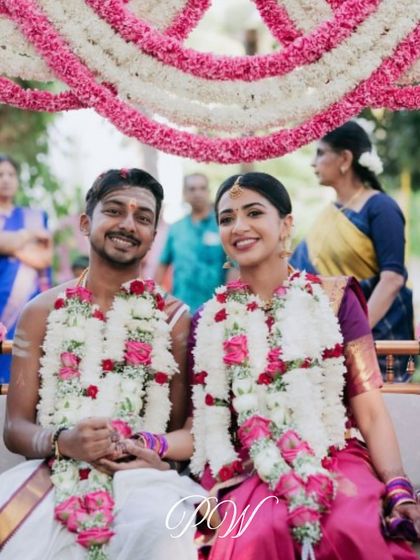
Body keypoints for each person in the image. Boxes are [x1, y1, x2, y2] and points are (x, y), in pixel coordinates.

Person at [189, 172, 420, 560]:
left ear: (286, 225)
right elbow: (205, 424)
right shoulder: (209, 318)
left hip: (333, 452)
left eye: (253, 212)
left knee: (351, 525)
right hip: (248, 466)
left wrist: (398, 486)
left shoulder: (334, 299)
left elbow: (370, 410)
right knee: (259, 534)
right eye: (227, 218)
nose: (239, 226)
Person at [0, 169, 201, 559]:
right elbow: (15, 428)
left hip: (142, 478)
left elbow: (178, 430)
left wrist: (147, 451)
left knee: (167, 535)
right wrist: (63, 442)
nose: (128, 224)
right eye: (114, 211)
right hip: (53, 473)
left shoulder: (174, 318)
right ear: (85, 221)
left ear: (154, 234)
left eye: (143, 217)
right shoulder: (41, 311)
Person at [290, 121, 414, 381]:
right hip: (327, 337)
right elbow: (298, 271)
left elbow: (392, 279)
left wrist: (353, 334)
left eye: (321, 153)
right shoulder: (329, 213)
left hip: (373, 337)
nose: (313, 163)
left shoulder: (380, 207)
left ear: (345, 158)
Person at [0, 154, 52, 383]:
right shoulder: (33, 226)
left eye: (11, 174)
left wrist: (9, 244)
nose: (6, 180)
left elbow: (43, 258)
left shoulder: (34, 216)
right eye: (0, 175)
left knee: (23, 369)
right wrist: (29, 236)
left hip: (26, 302)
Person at [155, 173, 227, 313]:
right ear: (185, 193)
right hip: (181, 310)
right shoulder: (176, 228)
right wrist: (153, 298)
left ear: (209, 192)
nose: (197, 193)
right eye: (192, 189)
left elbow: (233, 266)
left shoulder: (222, 226)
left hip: (215, 310)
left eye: (202, 188)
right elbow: (163, 263)